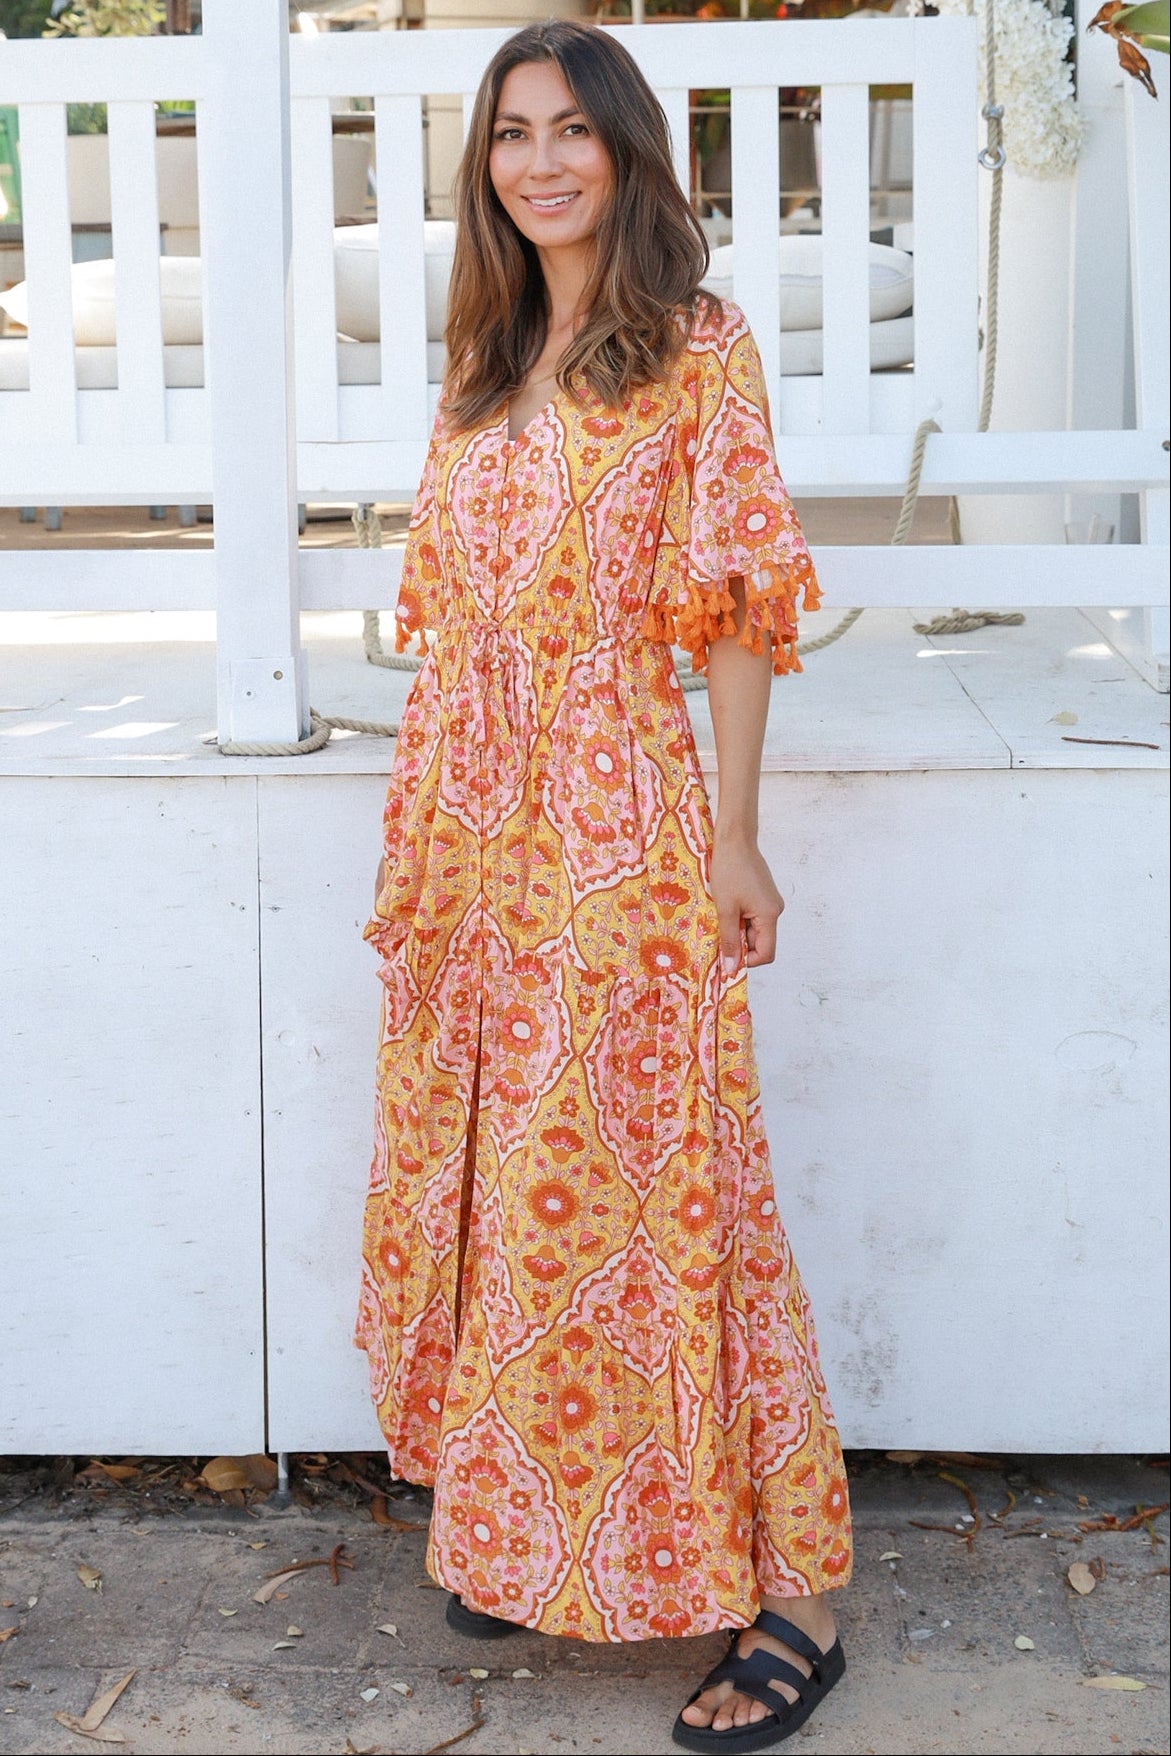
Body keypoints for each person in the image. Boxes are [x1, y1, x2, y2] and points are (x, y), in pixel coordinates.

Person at [355, 20, 852, 1750]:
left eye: (574, 129)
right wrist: (432, 841)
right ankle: (531, 1526)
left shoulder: (698, 347)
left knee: (661, 1192)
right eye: (512, 133)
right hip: (471, 824)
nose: (542, 161)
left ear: (631, 152)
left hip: (618, 817)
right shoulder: (487, 351)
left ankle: (795, 1602)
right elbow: (458, 620)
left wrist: (734, 836)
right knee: (510, 1184)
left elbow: (738, 608)